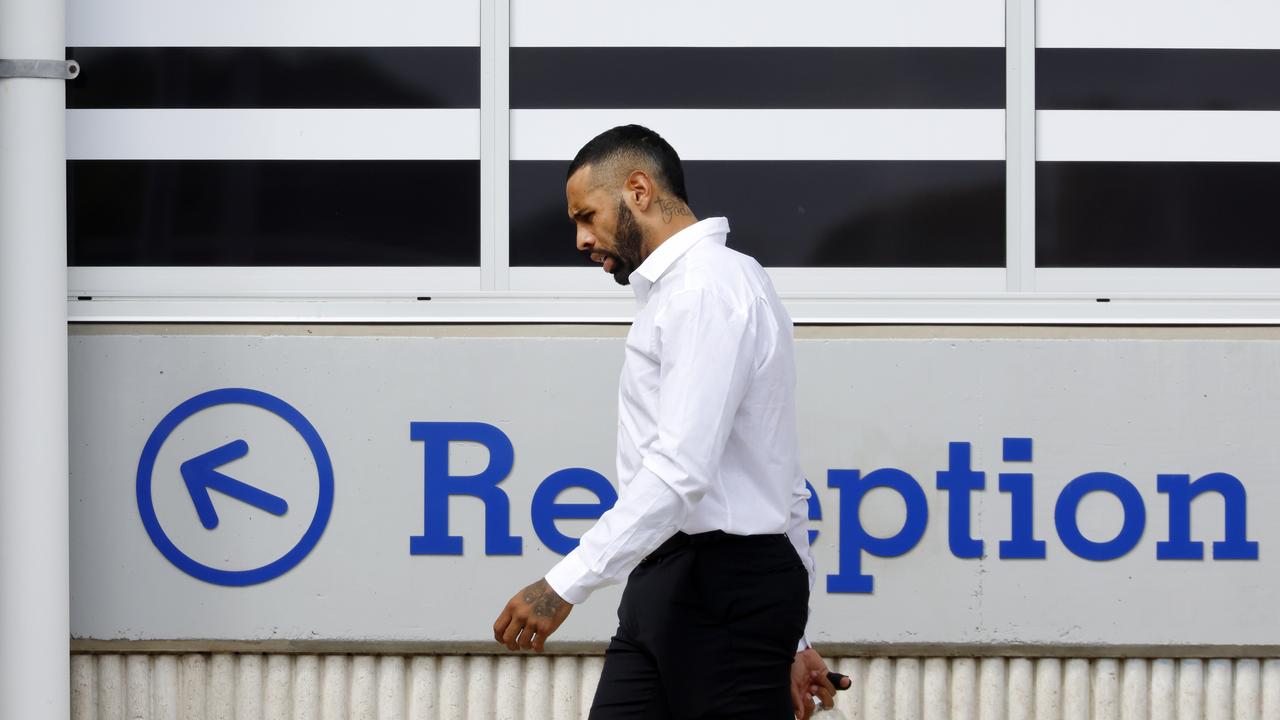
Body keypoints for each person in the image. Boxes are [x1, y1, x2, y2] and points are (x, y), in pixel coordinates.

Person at [492, 125, 848, 719]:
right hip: (673, 584)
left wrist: (563, 584)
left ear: (638, 189)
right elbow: (778, 472)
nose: (581, 239)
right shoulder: (689, 290)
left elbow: (681, 471)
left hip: (721, 589)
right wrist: (796, 639)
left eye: (587, 216)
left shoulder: (707, 289)